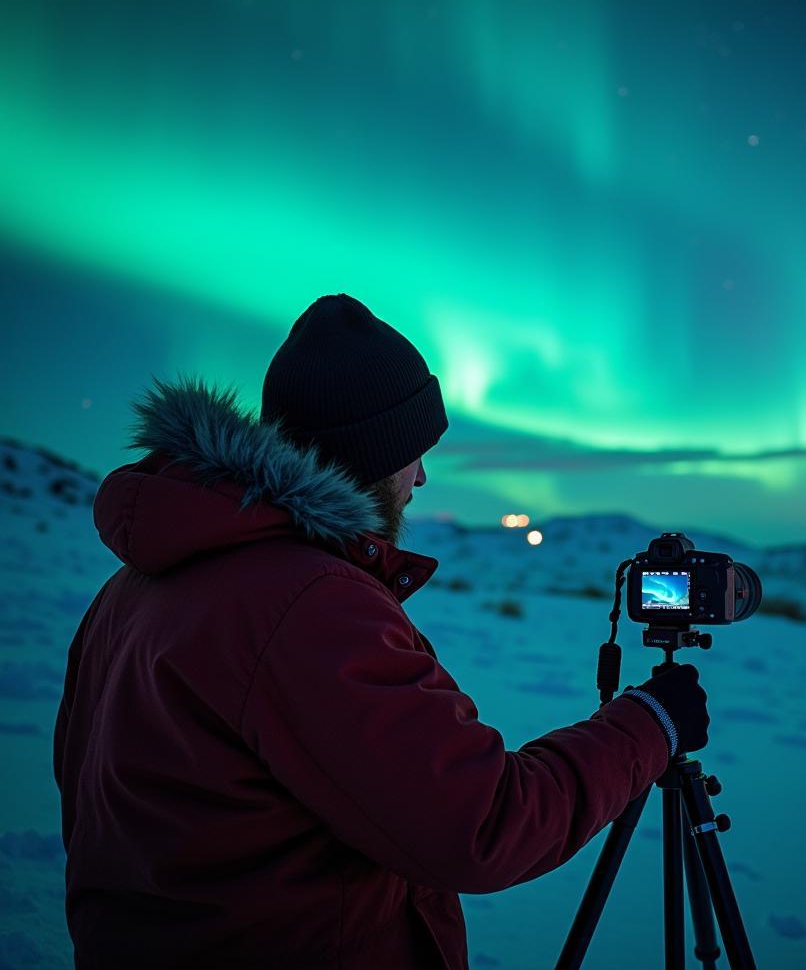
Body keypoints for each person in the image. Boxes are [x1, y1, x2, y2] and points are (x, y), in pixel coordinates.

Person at [54, 294, 710, 969]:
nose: (421, 476)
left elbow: (85, 799)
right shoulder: (308, 605)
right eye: (412, 453)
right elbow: (484, 823)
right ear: (367, 454)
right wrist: (649, 725)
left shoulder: (131, 589)